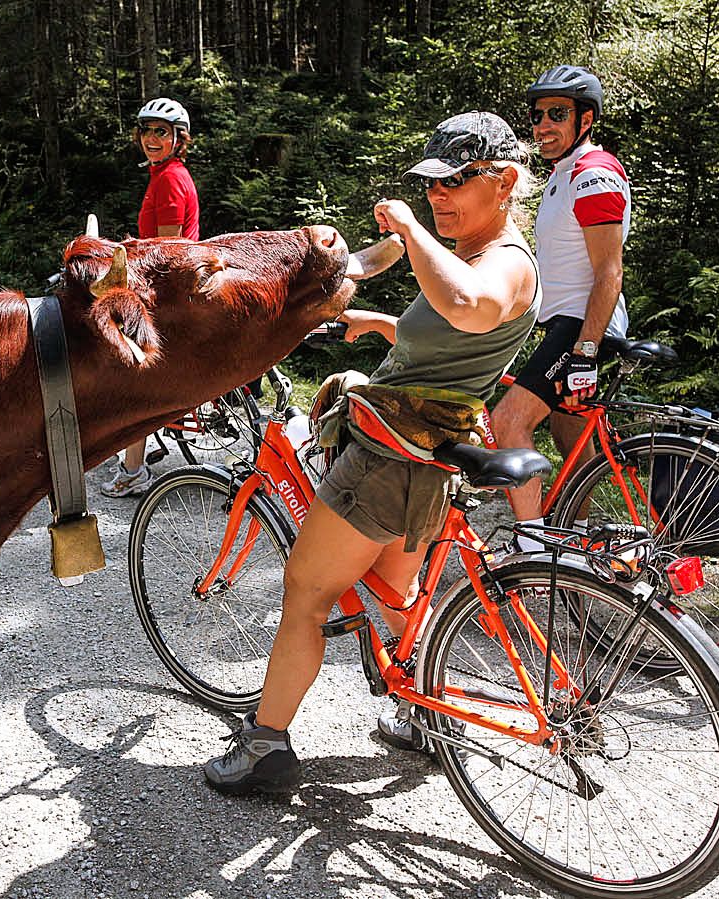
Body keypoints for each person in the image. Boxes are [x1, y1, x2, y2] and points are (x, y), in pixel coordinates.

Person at [202, 112, 541, 794]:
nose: (439, 196)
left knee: (306, 592)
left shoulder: (502, 262)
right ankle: (420, 710)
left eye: (455, 182)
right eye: (430, 186)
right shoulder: (474, 254)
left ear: (505, 181)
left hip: (389, 459)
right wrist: (379, 322)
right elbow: (453, 343)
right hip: (428, 455)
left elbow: (474, 308)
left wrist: (411, 231)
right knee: (396, 594)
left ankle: (265, 748)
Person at [490, 65, 631, 550]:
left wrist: (585, 353)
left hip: (582, 326)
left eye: (557, 114)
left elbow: (609, 271)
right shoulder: (562, 176)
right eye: (537, 116)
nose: (543, 125)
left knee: (507, 421)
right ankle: (580, 546)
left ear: (585, 120)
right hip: (565, 324)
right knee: (574, 443)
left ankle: (532, 550)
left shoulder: (593, 174)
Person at [101, 98, 201, 499]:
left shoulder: (171, 179)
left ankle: (133, 469)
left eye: (162, 131)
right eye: (147, 130)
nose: (152, 138)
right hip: (167, 285)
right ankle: (130, 451)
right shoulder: (162, 175)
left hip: (169, 291)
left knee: (133, 378)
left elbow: (169, 249)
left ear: (179, 139)